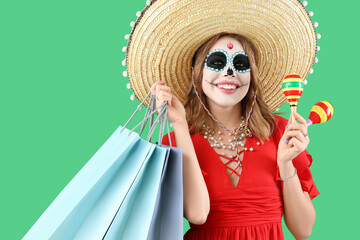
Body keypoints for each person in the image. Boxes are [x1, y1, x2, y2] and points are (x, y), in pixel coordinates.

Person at [125, 1, 321, 239]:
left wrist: (286, 163)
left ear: (252, 76)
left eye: (241, 64)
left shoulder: (281, 132)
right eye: (217, 62)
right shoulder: (174, 140)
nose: (230, 72)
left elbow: (303, 230)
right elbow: (197, 215)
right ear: (196, 73)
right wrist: (179, 125)